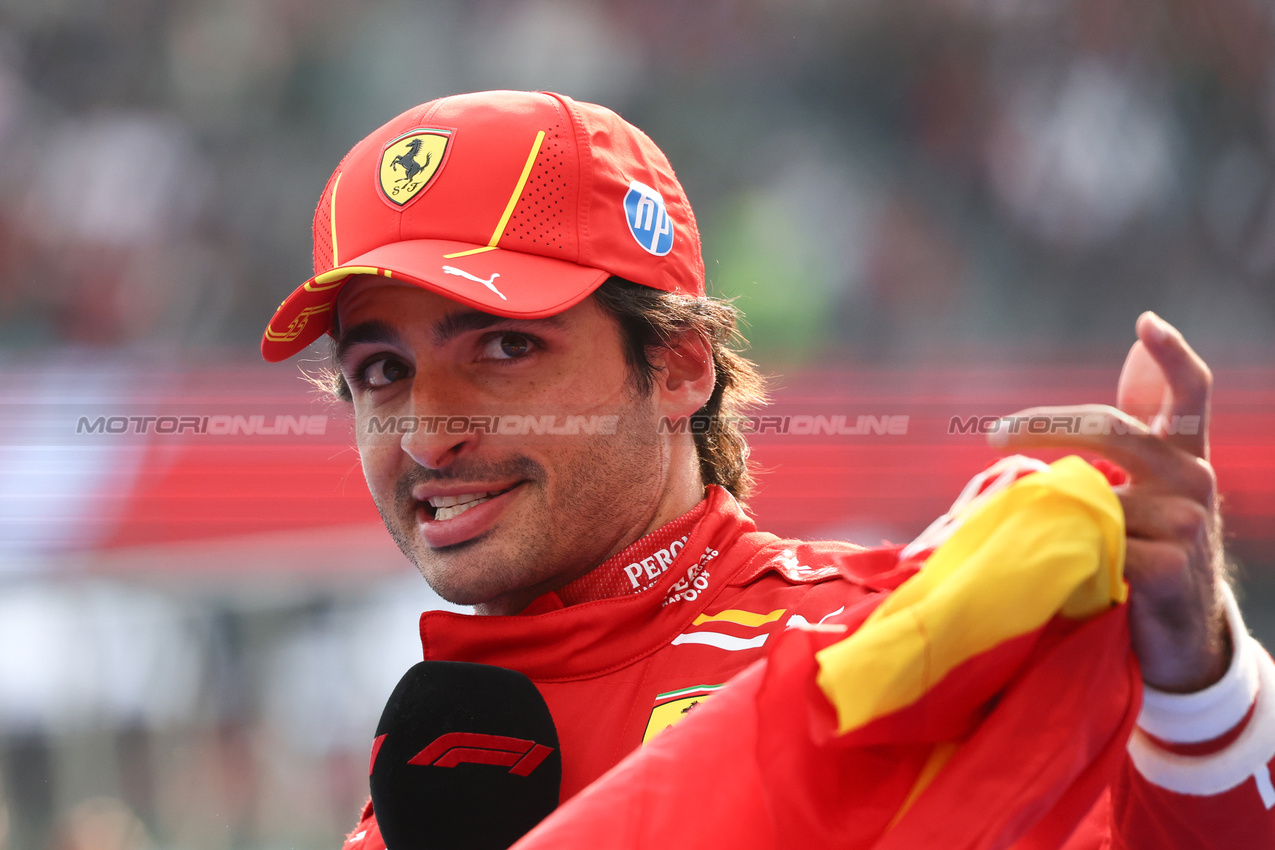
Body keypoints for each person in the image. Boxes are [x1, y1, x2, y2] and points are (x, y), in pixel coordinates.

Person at [261, 90, 1275, 848]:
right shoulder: (436, 760)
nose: (427, 434)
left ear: (678, 367)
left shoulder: (873, 651)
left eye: (502, 348)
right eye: (382, 371)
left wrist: (1201, 683)